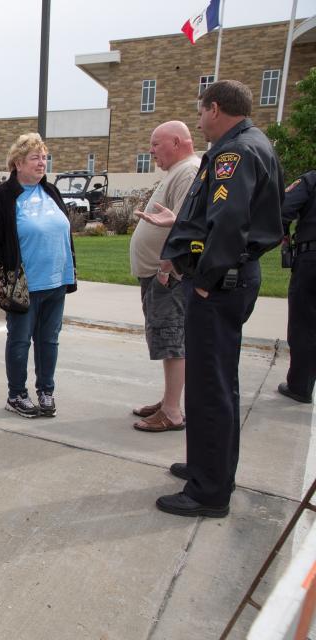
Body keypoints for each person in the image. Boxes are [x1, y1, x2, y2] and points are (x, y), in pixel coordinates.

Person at [156, 80, 284, 518]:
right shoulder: (249, 144)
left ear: (214, 109)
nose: (198, 118)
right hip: (229, 279)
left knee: (211, 388)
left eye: (200, 110)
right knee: (215, 381)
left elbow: (228, 224)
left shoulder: (236, 152)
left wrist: (207, 278)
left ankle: (208, 492)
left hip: (220, 283)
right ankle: (206, 467)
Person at [0, 133, 77, 418]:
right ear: (18, 162)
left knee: (49, 340)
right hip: (22, 286)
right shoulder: (3, 197)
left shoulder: (51, 191)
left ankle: (46, 390)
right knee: (19, 341)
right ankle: (16, 394)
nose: (42, 163)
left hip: (56, 282)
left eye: (44, 157)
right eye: (35, 158)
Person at [130, 121, 201, 432]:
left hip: (167, 276)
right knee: (166, 338)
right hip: (159, 274)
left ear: (176, 142)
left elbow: (186, 227)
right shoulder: (177, 171)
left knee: (172, 340)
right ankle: (169, 400)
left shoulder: (187, 171)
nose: (151, 150)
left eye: (155, 144)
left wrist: (166, 267)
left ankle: (172, 411)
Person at [278, 170, 316, 404]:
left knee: (305, 323)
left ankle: (300, 386)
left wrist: (283, 234)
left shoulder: (311, 180)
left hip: (311, 258)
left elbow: (283, 208)